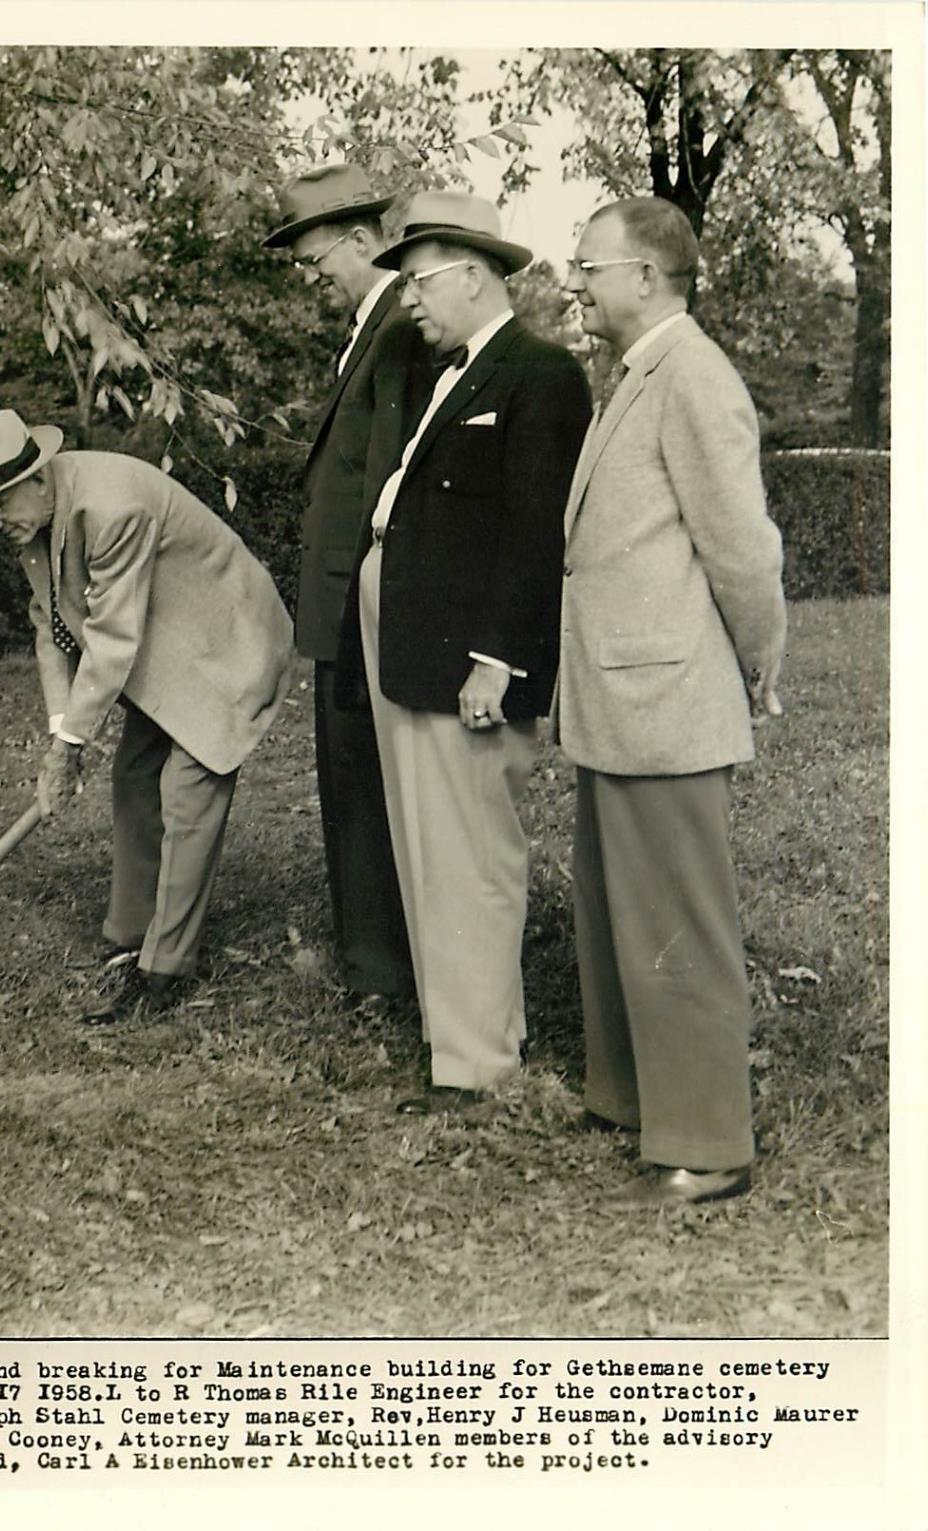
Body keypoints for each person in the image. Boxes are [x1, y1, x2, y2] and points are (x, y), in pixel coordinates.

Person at [339, 193, 592, 1115]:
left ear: (476, 274)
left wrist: (500, 658)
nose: (407, 299)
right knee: (427, 844)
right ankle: (460, 1041)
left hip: (465, 656)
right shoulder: (453, 374)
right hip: (410, 636)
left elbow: (534, 536)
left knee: (471, 849)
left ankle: (480, 1061)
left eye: (419, 280)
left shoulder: (541, 374)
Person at [557, 198, 787, 1205]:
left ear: (647, 275)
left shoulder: (693, 376)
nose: (576, 282)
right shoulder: (637, 374)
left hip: (666, 696)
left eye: (590, 265)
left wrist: (760, 660)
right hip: (622, 693)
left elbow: (743, 548)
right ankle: (632, 1098)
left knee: (680, 921)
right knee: (618, 908)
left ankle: (712, 1142)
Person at [0, 410, 294, 1020]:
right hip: (166, 645)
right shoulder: (35, 522)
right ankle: (131, 935)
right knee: (133, 777)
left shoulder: (113, 505)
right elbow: (50, 630)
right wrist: (60, 735)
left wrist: (72, 745)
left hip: (228, 642)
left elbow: (111, 637)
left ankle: (164, 971)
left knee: (187, 793)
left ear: (38, 477)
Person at [263, 163, 426, 1003]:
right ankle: (370, 955)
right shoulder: (374, 326)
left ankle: (382, 969)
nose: (312, 278)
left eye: (316, 258)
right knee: (349, 777)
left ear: (363, 241)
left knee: (366, 781)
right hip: (341, 597)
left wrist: (368, 594)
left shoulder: (399, 326)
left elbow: (388, 478)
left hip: (366, 595)